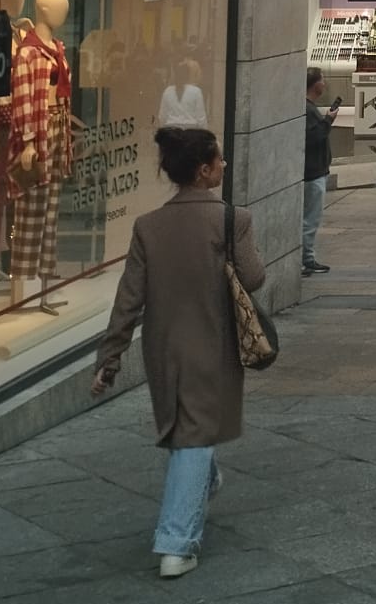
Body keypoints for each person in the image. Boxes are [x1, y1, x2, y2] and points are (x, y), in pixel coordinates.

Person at [91, 126, 263, 579]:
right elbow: (255, 277)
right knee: (194, 436)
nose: (223, 165)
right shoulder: (234, 219)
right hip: (213, 344)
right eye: (219, 160)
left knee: (188, 429)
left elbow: (128, 299)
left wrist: (109, 359)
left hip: (163, 348)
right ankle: (176, 543)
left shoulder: (148, 226)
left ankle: (203, 482)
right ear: (204, 170)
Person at [302, 68, 336, 276]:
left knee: (309, 216)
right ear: (315, 85)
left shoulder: (307, 108)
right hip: (313, 171)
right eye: (322, 80)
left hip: (314, 170)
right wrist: (328, 121)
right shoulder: (307, 110)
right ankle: (306, 258)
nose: (325, 84)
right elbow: (313, 138)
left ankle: (307, 257)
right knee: (310, 218)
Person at [156, 58, 209, 129]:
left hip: (171, 131)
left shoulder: (167, 91)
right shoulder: (196, 91)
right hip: (190, 131)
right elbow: (201, 118)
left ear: (174, 75)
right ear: (188, 75)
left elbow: (162, 116)